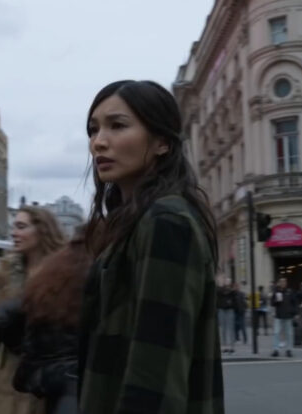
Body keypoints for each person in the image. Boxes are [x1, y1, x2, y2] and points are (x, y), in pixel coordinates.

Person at [78, 80, 223, 413]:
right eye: (93, 129)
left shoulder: (166, 220)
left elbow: (156, 367)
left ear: (161, 142)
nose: (99, 142)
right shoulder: (135, 222)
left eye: (118, 126)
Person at [0, 227, 88, 414]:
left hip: (45, 376)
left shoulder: (55, 269)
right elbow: (0, 317)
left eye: (21, 227)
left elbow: (1, 316)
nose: (14, 233)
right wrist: (20, 346)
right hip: (68, 377)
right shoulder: (89, 269)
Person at [0, 206, 64, 414]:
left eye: (21, 227)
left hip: (46, 369)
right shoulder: (6, 269)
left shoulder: (62, 270)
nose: (14, 233)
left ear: (42, 230)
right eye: (14, 227)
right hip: (8, 367)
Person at [270, 278, 298, 357]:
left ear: (286, 283)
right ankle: (276, 349)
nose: (283, 283)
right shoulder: (276, 291)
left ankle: (289, 349)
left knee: (289, 333)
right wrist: (276, 300)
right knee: (276, 333)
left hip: (288, 315)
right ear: (279, 283)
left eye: (284, 282)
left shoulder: (290, 291)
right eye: (281, 282)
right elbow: (272, 303)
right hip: (278, 315)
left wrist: (295, 313)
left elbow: (295, 302)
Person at [217, 280, 236, 354]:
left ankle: (232, 346)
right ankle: (224, 346)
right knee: (223, 329)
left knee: (231, 329)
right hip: (222, 310)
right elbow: (219, 292)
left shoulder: (232, 291)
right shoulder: (219, 290)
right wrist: (221, 285)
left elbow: (233, 294)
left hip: (230, 310)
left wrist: (229, 288)